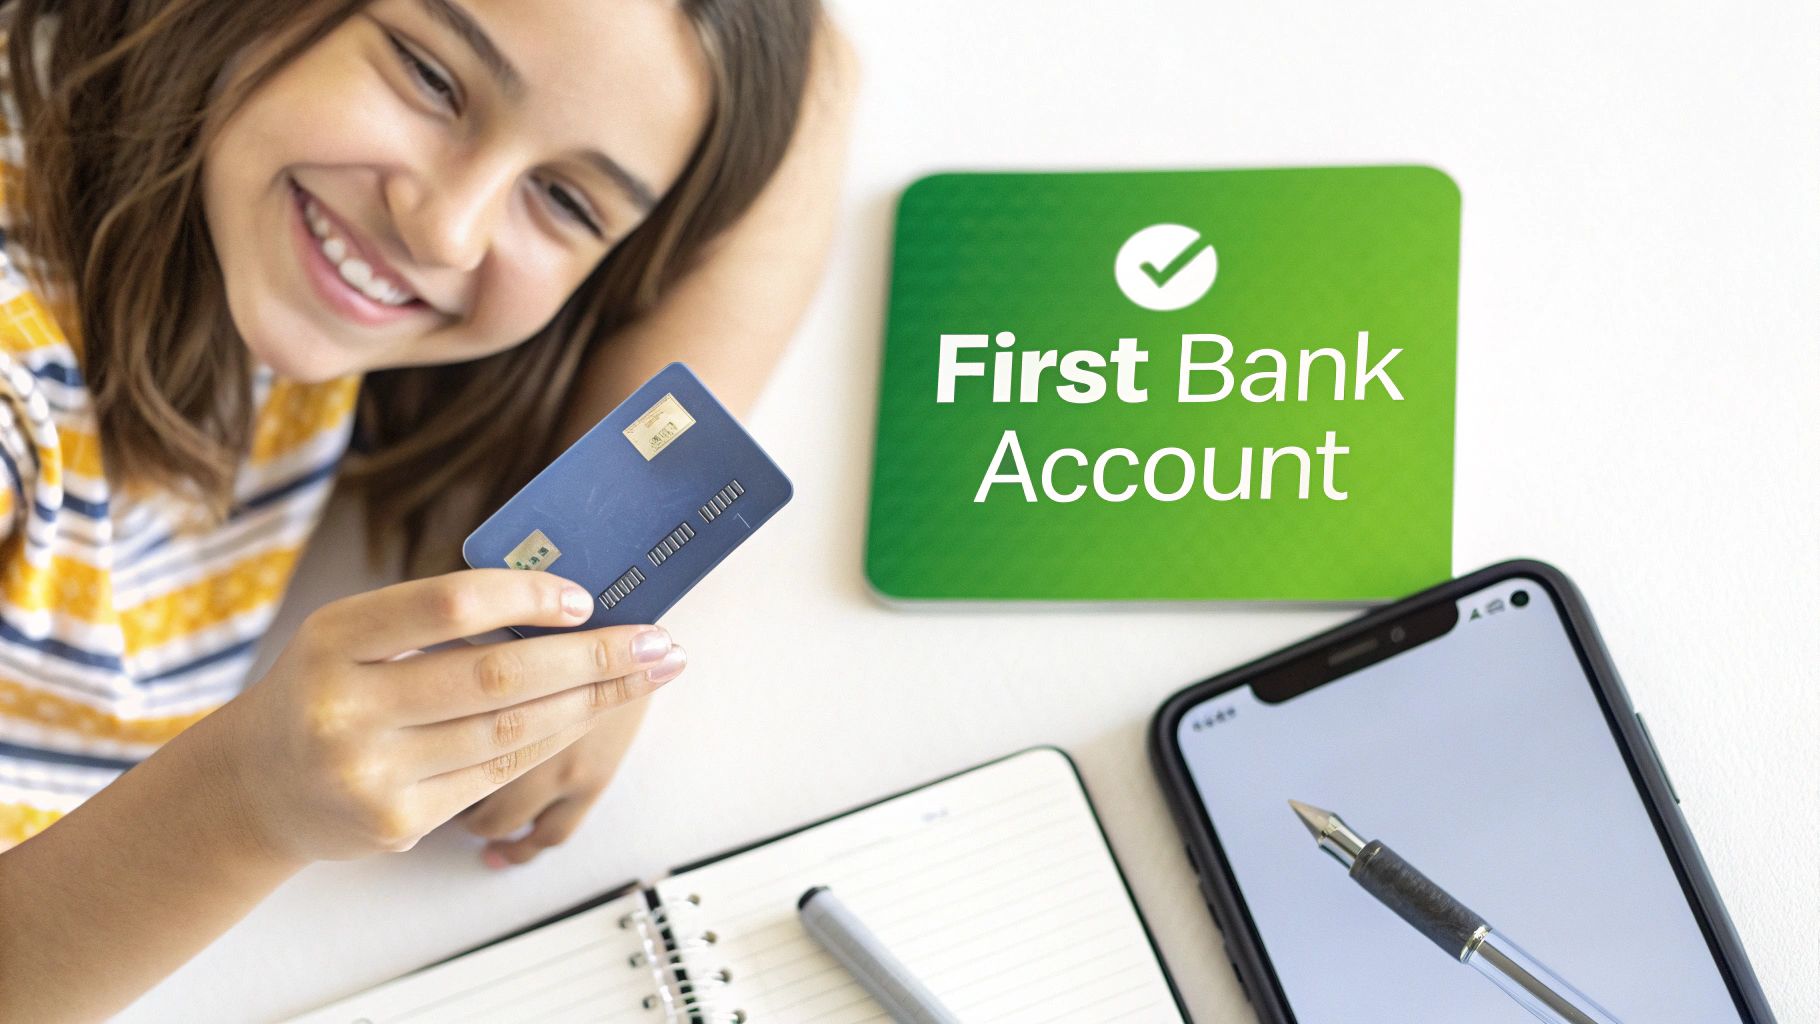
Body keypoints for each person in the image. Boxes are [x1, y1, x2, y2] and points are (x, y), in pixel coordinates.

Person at [0, 0, 855, 1017]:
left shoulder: (250, 198)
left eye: (565, 200)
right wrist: (246, 806)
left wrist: (613, 569)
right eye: (430, 75)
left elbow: (805, 92)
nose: (446, 228)